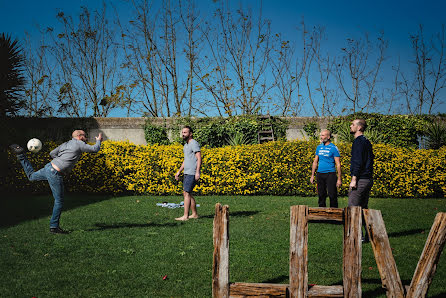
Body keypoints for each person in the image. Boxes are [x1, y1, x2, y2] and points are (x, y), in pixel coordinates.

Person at [9, 130, 103, 234]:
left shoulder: (66, 143)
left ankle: (21, 155)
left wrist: (60, 161)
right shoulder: (80, 143)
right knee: (59, 201)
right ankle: (54, 227)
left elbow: (52, 153)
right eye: (85, 136)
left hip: (49, 167)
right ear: (80, 136)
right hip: (54, 173)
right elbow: (95, 149)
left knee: (31, 176)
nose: (86, 138)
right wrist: (98, 140)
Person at [348, 119, 374, 242]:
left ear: (359, 127)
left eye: (352, 124)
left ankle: (357, 236)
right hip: (368, 179)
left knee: (353, 208)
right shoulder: (367, 142)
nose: (350, 126)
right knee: (364, 208)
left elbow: (358, 161)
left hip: (361, 179)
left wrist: (354, 179)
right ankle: (370, 235)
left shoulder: (358, 142)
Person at [174, 126, 201, 221]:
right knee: (187, 193)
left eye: (185, 132)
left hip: (192, 172)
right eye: (182, 132)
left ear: (190, 134)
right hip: (186, 172)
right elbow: (186, 160)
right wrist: (179, 171)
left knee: (187, 193)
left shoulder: (194, 143)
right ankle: (194, 214)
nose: (183, 134)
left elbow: (199, 158)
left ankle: (185, 216)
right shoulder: (186, 145)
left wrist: (197, 172)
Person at [310, 129, 342, 207]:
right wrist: (312, 175)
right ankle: (321, 215)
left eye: (323, 135)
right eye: (321, 135)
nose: (321, 137)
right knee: (321, 195)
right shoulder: (319, 147)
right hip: (320, 174)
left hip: (330, 174)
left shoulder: (333, 148)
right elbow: (315, 162)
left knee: (332, 195)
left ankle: (334, 214)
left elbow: (338, 164)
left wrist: (339, 179)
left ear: (328, 137)